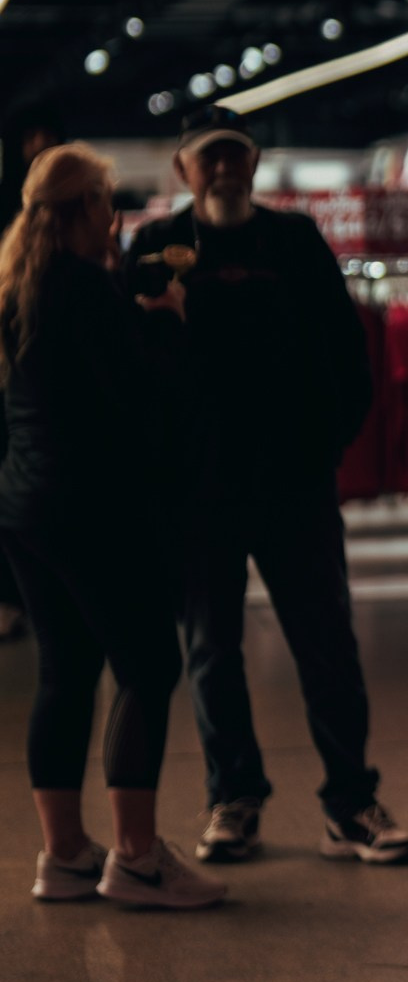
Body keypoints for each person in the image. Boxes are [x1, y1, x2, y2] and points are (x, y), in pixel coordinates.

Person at [125, 110, 408, 867]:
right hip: (197, 495)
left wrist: (327, 444)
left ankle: (351, 803)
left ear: (254, 165)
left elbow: (351, 355)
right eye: (208, 159)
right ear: (184, 172)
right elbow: (128, 371)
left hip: (295, 487)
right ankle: (234, 798)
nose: (223, 170)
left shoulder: (296, 243)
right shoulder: (153, 248)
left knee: (327, 646)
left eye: (235, 157)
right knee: (212, 652)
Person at [0, 146, 223, 908]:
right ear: (80, 211)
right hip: (91, 505)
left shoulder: (19, 289)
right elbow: (138, 400)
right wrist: (166, 325)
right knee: (149, 666)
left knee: (64, 670)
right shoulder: (88, 293)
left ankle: (63, 855)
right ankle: (135, 858)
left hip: (27, 505)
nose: (114, 217)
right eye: (105, 203)